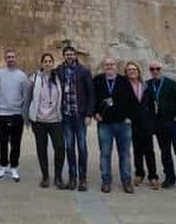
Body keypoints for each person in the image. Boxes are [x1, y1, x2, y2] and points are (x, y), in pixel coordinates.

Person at [145, 61, 176, 194]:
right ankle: (170, 177)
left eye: (157, 68)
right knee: (165, 152)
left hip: (174, 123)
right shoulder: (148, 85)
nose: (155, 71)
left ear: (161, 69)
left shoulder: (171, 84)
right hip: (159, 124)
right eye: (152, 69)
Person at [55, 45, 95, 192]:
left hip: (79, 115)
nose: (69, 56)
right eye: (67, 54)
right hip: (66, 115)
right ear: (64, 55)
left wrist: (89, 114)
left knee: (82, 147)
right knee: (69, 147)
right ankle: (72, 178)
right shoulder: (60, 70)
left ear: (75, 55)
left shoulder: (83, 71)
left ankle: (83, 179)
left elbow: (91, 94)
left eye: (71, 54)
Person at [93, 58, 135, 193]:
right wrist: (95, 113)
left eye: (112, 64)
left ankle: (127, 181)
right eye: (107, 65)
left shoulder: (124, 81)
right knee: (105, 153)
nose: (109, 67)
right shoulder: (98, 80)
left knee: (125, 154)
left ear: (116, 67)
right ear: (103, 67)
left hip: (123, 123)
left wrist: (130, 117)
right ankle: (106, 181)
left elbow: (132, 100)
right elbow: (92, 98)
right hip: (105, 124)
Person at [26, 53, 66, 189]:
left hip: (55, 120)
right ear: (42, 64)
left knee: (60, 148)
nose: (48, 63)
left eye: (50, 61)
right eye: (45, 61)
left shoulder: (59, 78)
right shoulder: (34, 78)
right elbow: (28, 99)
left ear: (53, 63)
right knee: (41, 149)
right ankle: (45, 177)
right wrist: (28, 118)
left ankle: (58, 177)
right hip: (39, 121)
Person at [0, 49, 29, 182]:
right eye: (8, 57)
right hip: (2, 113)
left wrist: (24, 116)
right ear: (5, 59)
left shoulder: (22, 76)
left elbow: (25, 96)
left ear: (16, 58)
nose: (10, 59)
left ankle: (14, 167)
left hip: (16, 114)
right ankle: (3, 166)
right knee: (3, 142)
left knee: (15, 143)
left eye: (12, 57)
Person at [124, 61, 159, 189]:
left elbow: (151, 106)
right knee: (137, 149)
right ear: (126, 72)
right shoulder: (124, 87)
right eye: (129, 70)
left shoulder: (145, 86)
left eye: (134, 69)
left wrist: (152, 121)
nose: (132, 71)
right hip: (132, 122)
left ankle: (153, 176)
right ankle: (139, 173)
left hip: (145, 122)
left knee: (149, 150)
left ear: (138, 71)